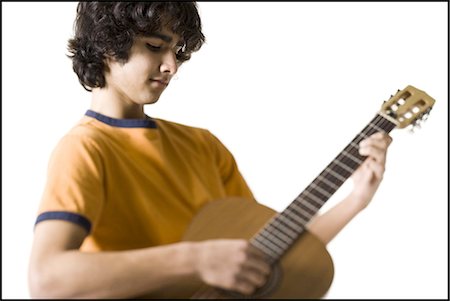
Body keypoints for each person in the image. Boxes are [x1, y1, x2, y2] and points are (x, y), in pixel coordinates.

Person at [28, 2, 392, 299]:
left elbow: (264, 255)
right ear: (108, 44)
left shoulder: (203, 145)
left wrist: (355, 200)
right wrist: (197, 259)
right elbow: (47, 279)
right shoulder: (85, 149)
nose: (171, 66)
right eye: (155, 47)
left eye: (178, 53)